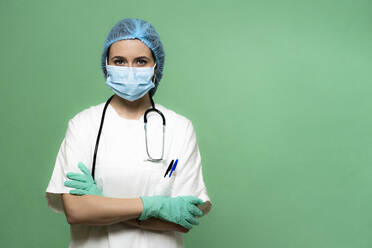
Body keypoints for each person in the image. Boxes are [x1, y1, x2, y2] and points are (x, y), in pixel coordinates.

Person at [45, 18, 212, 248]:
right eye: (119, 61)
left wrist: (101, 205)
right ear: (106, 64)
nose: (129, 70)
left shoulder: (179, 128)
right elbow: (76, 211)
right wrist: (154, 206)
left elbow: (182, 219)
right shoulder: (83, 125)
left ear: (156, 66)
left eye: (141, 61)